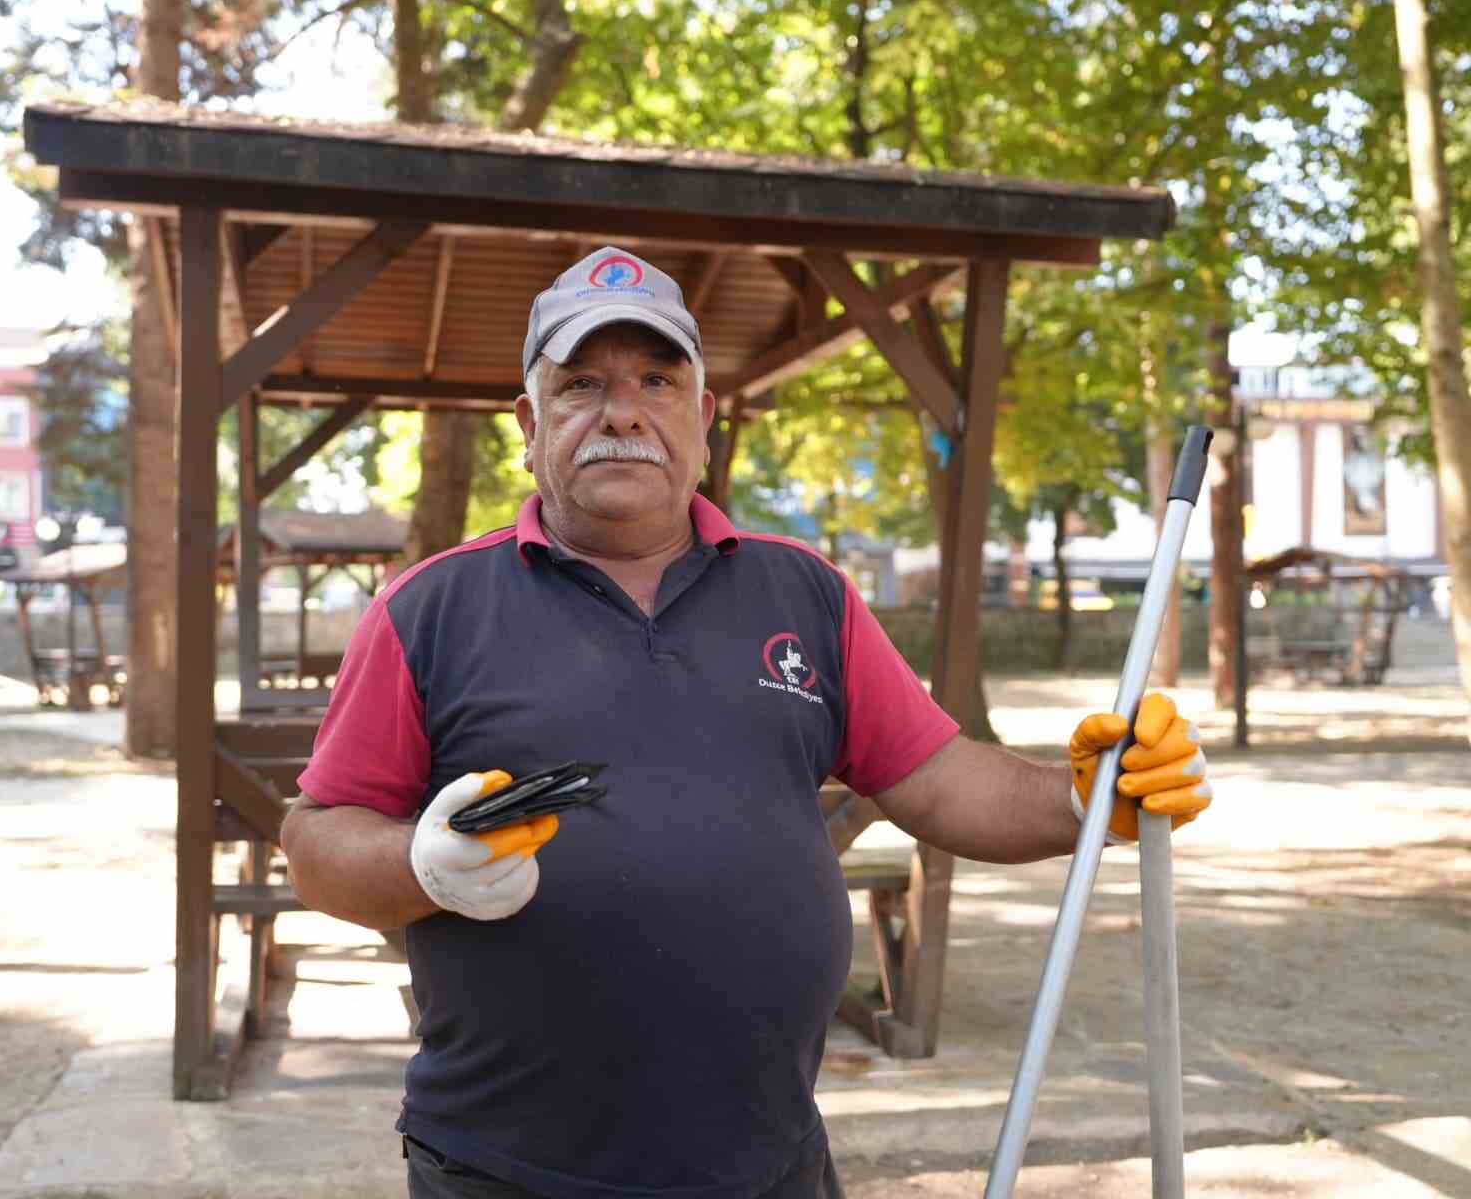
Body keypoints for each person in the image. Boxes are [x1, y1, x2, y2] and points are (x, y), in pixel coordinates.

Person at [280, 247, 1213, 1199]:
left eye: (656, 379)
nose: (623, 412)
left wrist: (1080, 798)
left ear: (702, 415)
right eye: (582, 385)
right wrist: (422, 867)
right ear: (529, 422)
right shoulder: (429, 609)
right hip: (509, 1171)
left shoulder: (804, 591)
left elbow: (936, 776)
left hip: (768, 1163)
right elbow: (315, 842)